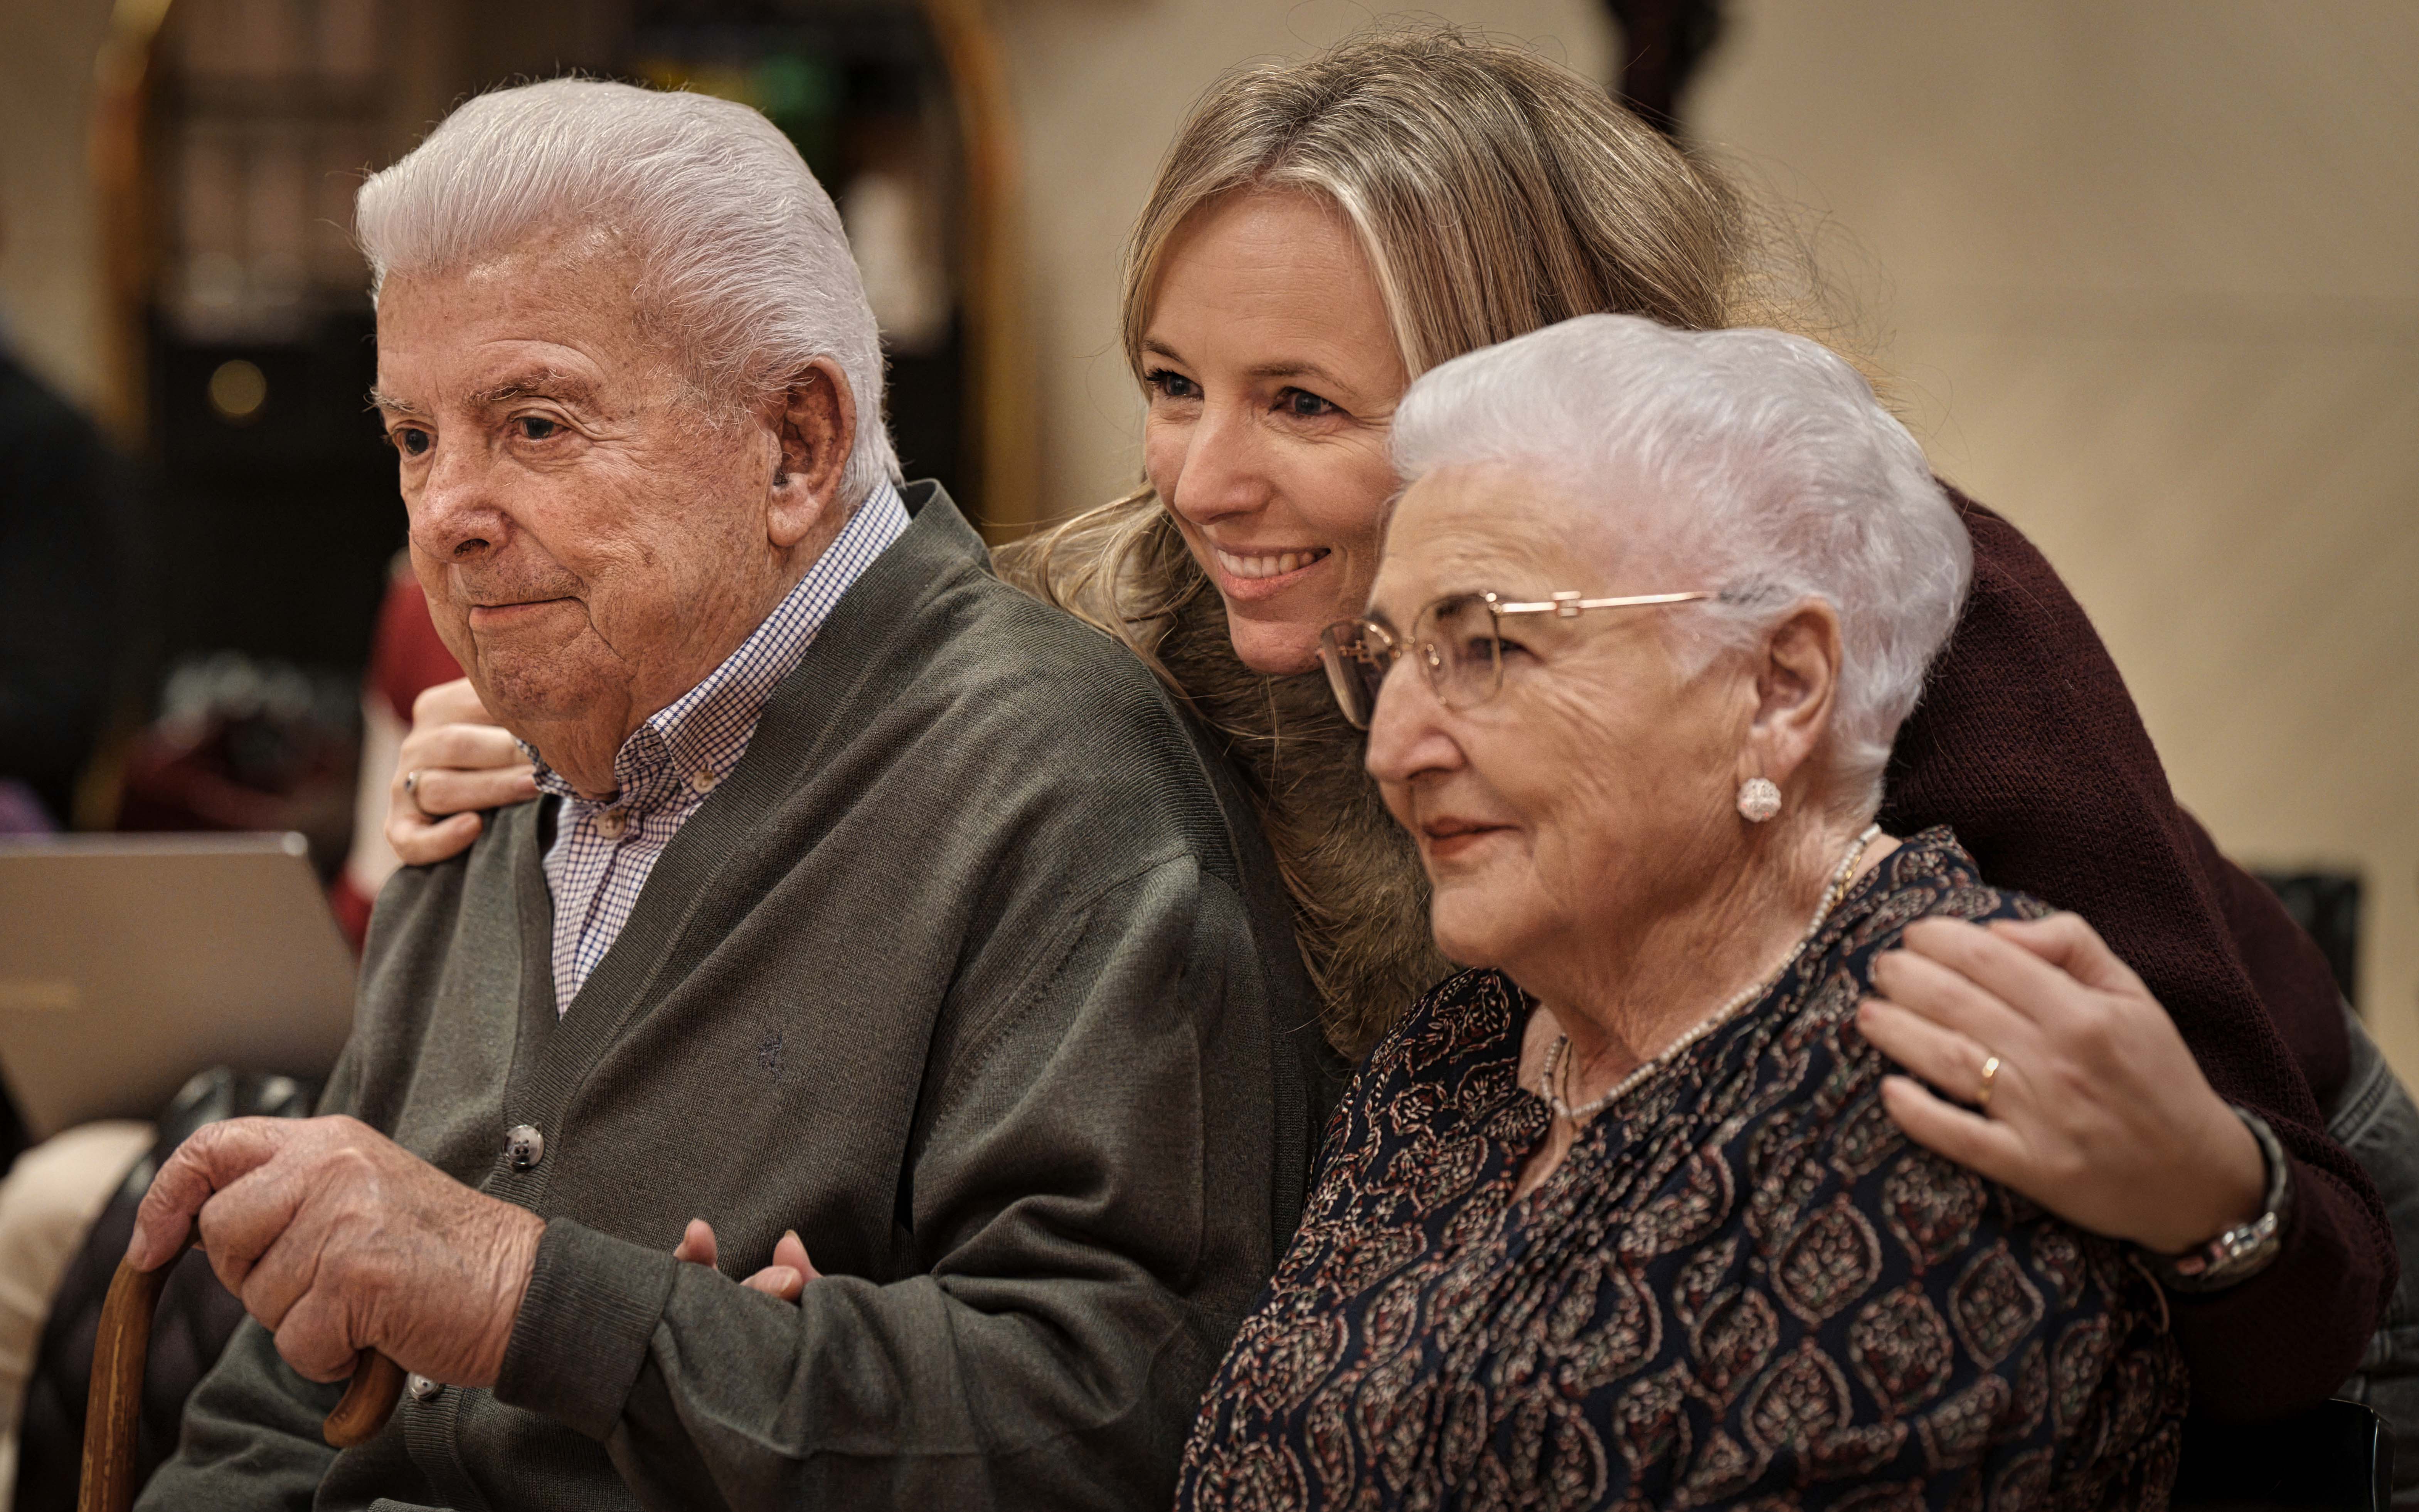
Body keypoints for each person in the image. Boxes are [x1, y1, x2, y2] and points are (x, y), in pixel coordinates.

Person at [388, 29, 2405, 1429]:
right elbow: (837, 718)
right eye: (1174, 383)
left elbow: (2301, 1257)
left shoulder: (1879, 618)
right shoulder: (1160, 602)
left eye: (1304, 405)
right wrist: (567, 762)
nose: (1204, 476)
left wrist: (2206, 1194)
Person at [128, 77, 1322, 1510]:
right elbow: (270, 1403)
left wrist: (524, 1295)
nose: (446, 511)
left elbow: (1112, 1412)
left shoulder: (1061, 785)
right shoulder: (503, 758)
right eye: (413, 439)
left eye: (535, 424)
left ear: (794, 444)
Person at [1180, 311, 2187, 1507]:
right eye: (1388, 657)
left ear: (1778, 686)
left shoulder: (1942, 1079)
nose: (1394, 745)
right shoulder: (1457, 1057)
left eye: (1488, 648)